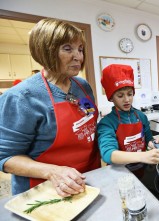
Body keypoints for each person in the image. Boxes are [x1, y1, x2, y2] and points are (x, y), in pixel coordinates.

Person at [0, 18, 101, 196]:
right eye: (67, 48)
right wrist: (54, 172)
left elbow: (90, 124)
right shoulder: (21, 97)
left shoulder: (82, 86)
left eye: (80, 49)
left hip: (89, 177)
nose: (78, 56)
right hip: (45, 189)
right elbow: (6, 158)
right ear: (45, 51)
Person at [98, 64, 159, 165]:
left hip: (141, 166)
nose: (127, 100)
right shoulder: (107, 123)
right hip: (120, 170)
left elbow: (148, 139)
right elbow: (108, 154)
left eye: (130, 94)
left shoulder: (141, 116)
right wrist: (143, 156)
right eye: (120, 96)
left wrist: (152, 143)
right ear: (111, 98)